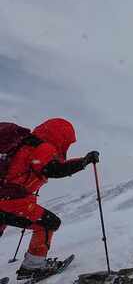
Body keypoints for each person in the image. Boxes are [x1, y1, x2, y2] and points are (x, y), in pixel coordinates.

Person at [0, 118, 99, 280]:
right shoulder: (42, 147)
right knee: (48, 223)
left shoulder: (22, 143)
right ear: (61, 137)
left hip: (4, 197)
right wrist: (84, 162)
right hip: (11, 202)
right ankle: (33, 267)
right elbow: (53, 169)